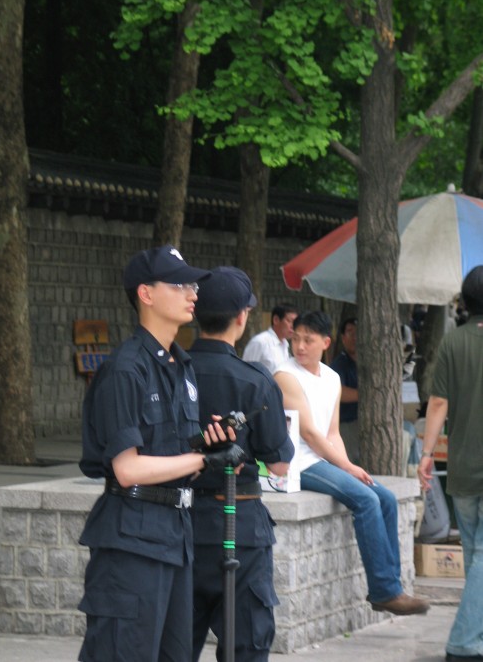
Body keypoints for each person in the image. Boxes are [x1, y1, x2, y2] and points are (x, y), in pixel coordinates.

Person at [77, 245, 245, 662]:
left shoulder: (180, 366)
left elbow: (168, 450)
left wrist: (208, 445)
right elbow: (128, 468)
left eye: (193, 285)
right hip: (132, 539)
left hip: (175, 534)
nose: (193, 293)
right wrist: (205, 462)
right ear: (146, 294)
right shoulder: (125, 369)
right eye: (180, 284)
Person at [274, 310, 430, 617]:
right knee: (366, 500)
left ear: (325, 342)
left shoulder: (332, 378)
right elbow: (308, 433)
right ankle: (385, 591)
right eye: (296, 339)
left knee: (385, 497)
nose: (301, 346)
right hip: (298, 463)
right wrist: (347, 468)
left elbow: (332, 433)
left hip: (323, 459)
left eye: (309, 340)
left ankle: (394, 587)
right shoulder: (285, 375)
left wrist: (348, 465)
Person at [189, 266, 295, 662]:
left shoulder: (169, 374)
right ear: (242, 316)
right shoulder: (256, 381)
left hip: (179, 525)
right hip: (241, 526)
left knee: (173, 647)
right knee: (246, 648)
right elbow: (280, 466)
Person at [418, 265, 483, 661]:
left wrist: (426, 455)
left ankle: (474, 637)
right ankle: (463, 643)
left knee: (476, 558)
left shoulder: (453, 342)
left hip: (461, 468)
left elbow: (438, 403)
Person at [330, 317, 360, 463]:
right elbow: (338, 392)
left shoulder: (365, 361)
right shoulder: (339, 364)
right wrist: (366, 396)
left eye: (358, 332)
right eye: (350, 332)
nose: (355, 337)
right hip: (346, 424)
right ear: (343, 338)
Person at [242, 303, 298, 373]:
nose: (293, 326)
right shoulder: (260, 342)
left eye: (295, 323)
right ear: (276, 320)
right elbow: (246, 370)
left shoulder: (285, 345)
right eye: (289, 321)